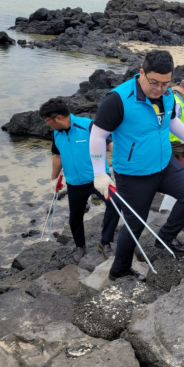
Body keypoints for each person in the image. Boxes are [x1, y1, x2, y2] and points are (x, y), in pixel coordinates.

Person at [89, 50, 184, 282]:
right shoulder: (118, 99)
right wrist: (99, 173)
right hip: (134, 173)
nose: (159, 89)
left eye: (165, 83)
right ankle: (119, 271)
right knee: (135, 225)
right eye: (154, 83)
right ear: (141, 72)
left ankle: (165, 236)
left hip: (164, 164)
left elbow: (172, 121)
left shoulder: (168, 95)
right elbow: (97, 136)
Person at [39, 99, 119, 262]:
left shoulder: (89, 125)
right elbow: (57, 155)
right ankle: (79, 245)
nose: (48, 125)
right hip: (74, 183)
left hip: (99, 179)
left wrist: (125, 167)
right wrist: (54, 179)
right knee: (75, 216)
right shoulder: (56, 133)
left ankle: (105, 242)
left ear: (58, 118)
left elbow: (111, 145)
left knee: (115, 205)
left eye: (47, 121)